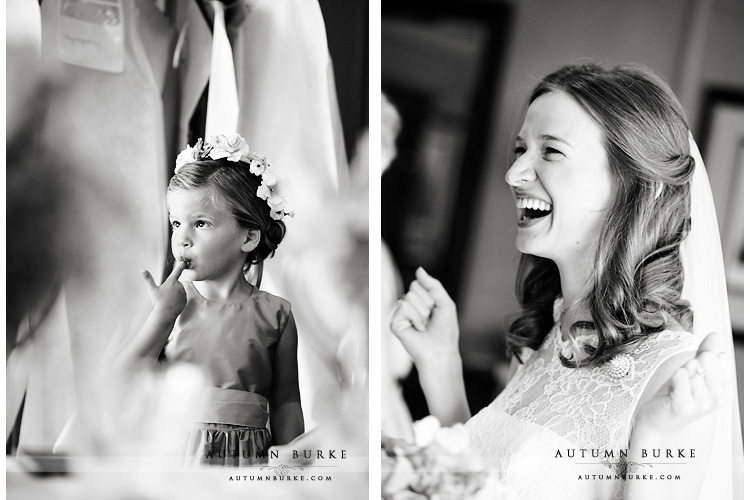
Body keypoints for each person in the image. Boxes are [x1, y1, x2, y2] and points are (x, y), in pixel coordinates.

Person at [391, 64, 741, 499]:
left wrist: (654, 436)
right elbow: (482, 483)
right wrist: (440, 364)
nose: (514, 173)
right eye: (520, 149)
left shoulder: (673, 377)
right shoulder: (556, 331)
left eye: (551, 151)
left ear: (635, 184)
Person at [116, 133, 304, 466]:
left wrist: (292, 470)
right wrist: (162, 317)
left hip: (246, 464)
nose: (181, 239)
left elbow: (287, 400)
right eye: (176, 223)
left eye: (200, 223)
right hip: (172, 458)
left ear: (248, 237)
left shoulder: (277, 315)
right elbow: (123, 381)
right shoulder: (168, 303)